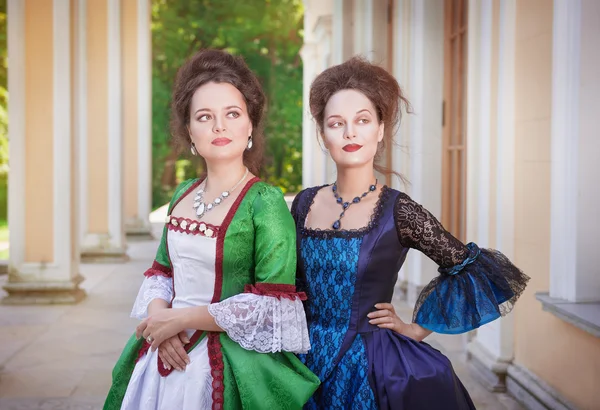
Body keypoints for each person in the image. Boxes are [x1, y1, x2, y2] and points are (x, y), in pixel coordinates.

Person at [291, 56, 529, 409]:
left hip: (368, 366)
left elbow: (472, 268)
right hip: (301, 361)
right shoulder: (303, 204)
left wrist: (417, 328)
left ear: (381, 129)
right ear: (323, 134)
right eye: (336, 123)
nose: (350, 133)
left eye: (362, 120)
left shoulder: (399, 211)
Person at [104, 49, 319, 410]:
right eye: (204, 117)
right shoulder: (182, 192)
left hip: (226, 364)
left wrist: (180, 319)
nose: (219, 126)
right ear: (189, 130)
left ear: (250, 125)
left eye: (232, 114)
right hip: (162, 355)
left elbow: (271, 303)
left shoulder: (264, 202)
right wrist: (160, 319)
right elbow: (162, 271)